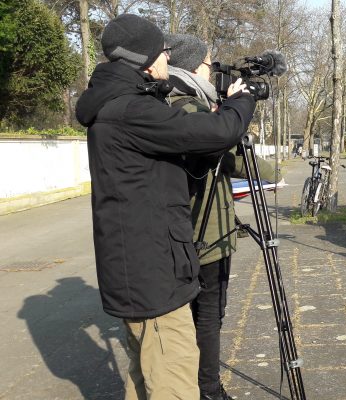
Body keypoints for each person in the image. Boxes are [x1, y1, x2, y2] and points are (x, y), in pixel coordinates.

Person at [75, 14, 256, 399]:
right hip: (153, 278)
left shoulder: (119, 106)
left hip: (141, 270)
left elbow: (175, 166)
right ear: (141, 59)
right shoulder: (131, 111)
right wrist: (242, 101)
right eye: (161, 53)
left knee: (146, 378)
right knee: (174, 383)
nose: (166, 60)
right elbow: (220, 132)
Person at [164, 33, 279, 400]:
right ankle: (209, 390)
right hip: (205, 232)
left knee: (202, 315)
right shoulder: (188, 108)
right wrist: (235, 115)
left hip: (198, 230)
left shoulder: (175, 103)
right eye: (207, 63)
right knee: (209, 314)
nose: (212, 70)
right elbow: (239, 162)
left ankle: (199, 384)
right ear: (192, 64)